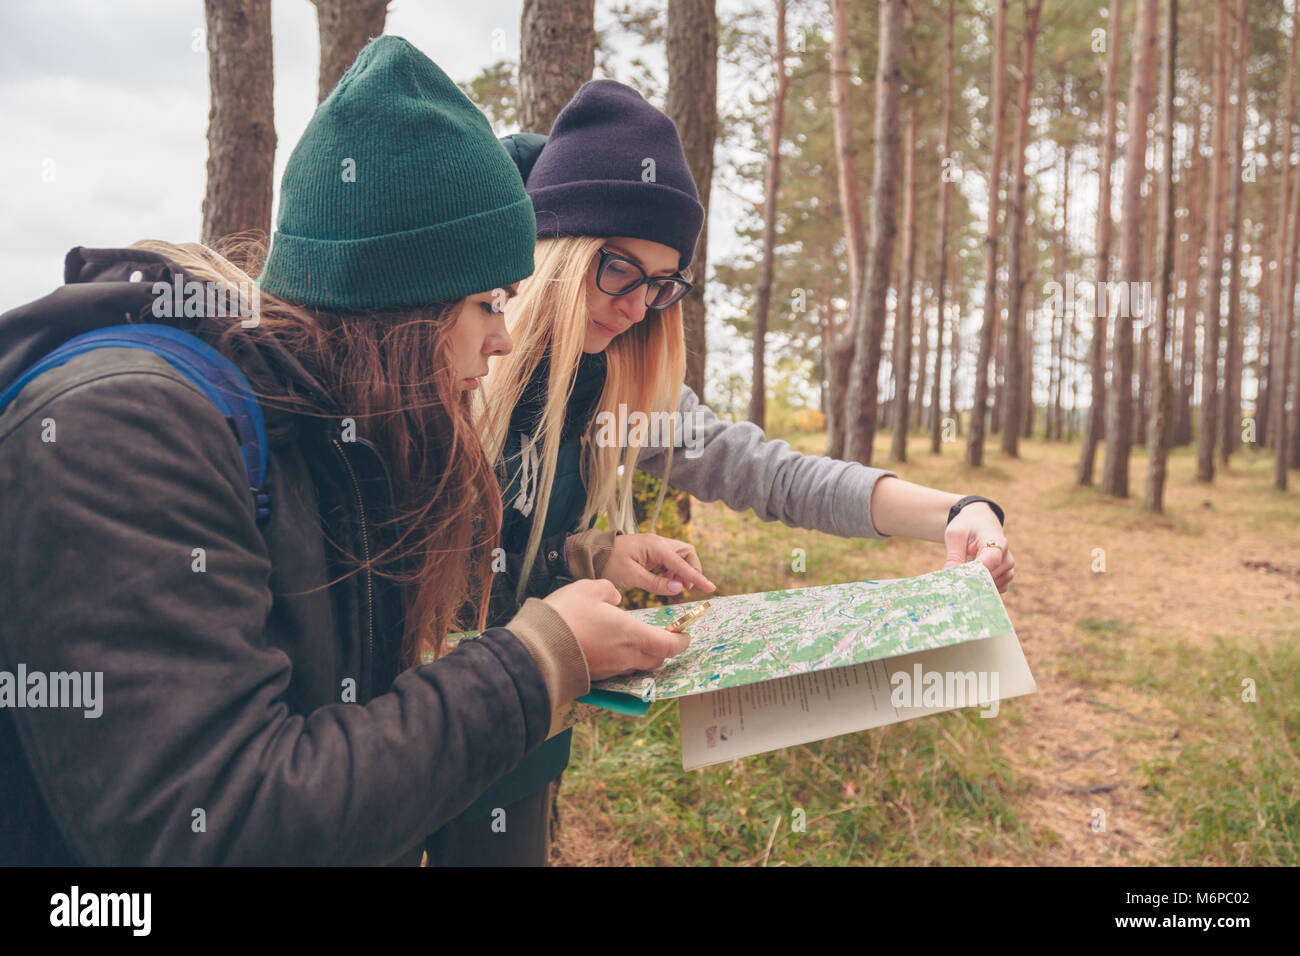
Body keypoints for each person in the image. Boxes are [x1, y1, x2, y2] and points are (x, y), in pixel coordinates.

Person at [0, 38, 686, 866]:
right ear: (401, 309)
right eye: (486, 301)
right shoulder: (128, 434)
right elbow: (219, 822)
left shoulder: (342, 437)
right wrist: (540, 659)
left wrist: (585, 555)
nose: (506, 338)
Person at [421, 79, 1015, 865]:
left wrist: (954, 510)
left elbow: (770, 472)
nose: (638, 307)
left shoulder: (621, 382)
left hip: (526, 731)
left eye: (663, 285)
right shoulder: (448, 353)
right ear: (556, 249)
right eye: (619, 269)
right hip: (399, 721)